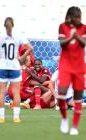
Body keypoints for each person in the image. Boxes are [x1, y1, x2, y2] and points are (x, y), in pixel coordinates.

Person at [0, 17, 33, 123]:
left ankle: (1, 117)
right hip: (15, 67)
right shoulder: (18, 36)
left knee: (2, 92)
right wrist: (22, 57)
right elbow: (30, 47)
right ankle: (16, 117)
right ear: (13, 25)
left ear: (4, 25)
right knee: (16, 93)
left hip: (2, 67)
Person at [57, 6, 86, 135]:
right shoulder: (62, 26)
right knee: (61, 93)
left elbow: (83, 43)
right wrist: (71, 37)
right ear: (70, 17)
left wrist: (76, 36)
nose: (79, 19)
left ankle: (74, 126)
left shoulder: (84, 27)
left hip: (79, 66)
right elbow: (62, 43)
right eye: (77, 17)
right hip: (65, 65)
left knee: (78, 97)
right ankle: (64, 119)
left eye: (80, 17)